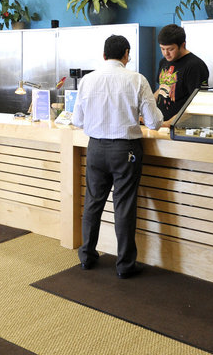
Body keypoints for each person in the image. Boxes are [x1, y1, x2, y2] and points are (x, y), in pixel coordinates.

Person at [71, 35, 163, 279]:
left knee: (93, 202)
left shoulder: (87, 80)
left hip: (96, 149)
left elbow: (77, 121)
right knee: (124, 206)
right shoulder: (137, 80)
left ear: (103, 56)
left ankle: (87, 257)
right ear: (126, 54)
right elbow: (154, 122)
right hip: (126, 151)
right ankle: (124, 265)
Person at [155, 24, 209, 122]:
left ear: (182, 45)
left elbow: (197, 102)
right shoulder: (163, 62)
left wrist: (170, 123)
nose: (166, 53)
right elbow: (161, 88)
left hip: (183, 126)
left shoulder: (195, 66)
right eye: (162, 49)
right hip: (161, 123)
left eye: (170, 49)